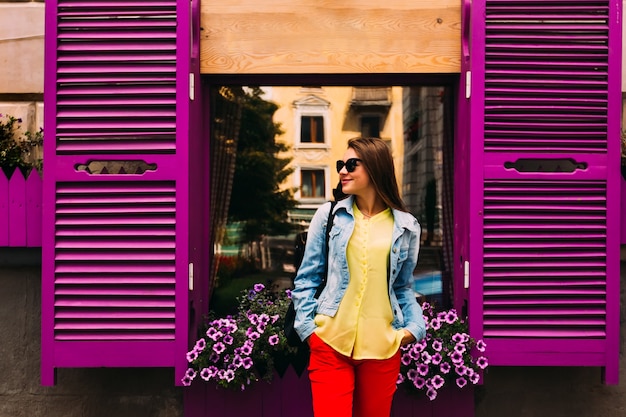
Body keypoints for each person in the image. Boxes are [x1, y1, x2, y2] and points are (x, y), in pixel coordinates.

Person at [291, 137, 426, 417]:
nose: (342, 171)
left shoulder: (406, 226)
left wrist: (412, 329)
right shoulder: (328, 215)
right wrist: (309, 331)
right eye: (341, 164)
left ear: (376, 168)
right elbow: (307, 279)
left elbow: (403, 287)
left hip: (383, 349)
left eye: (352, 164)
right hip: (329, 345)